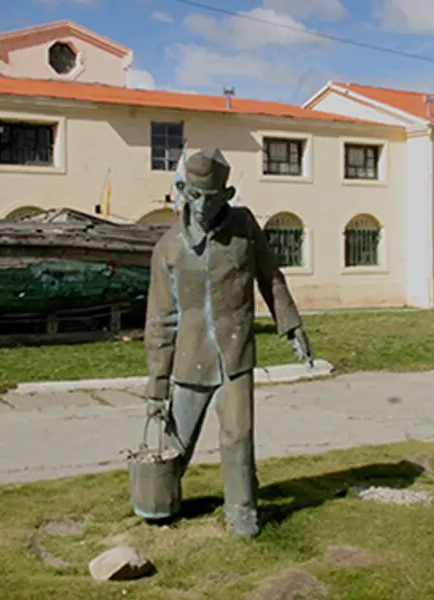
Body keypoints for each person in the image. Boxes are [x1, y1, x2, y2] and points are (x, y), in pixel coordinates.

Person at [142, 148, 312, 538]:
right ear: (183, 189)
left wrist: (292, 325)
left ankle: (241, 508)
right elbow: (159, 321)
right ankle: (159, 500)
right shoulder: (167, 249)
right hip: (189, 359)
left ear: (228, 193)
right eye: (195, 195)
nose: (202, 205)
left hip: (235, 355)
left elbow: (271, 277)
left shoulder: (244, 228)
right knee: (175, 443)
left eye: (213, 196)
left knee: (238, 435)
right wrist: (156, 387)